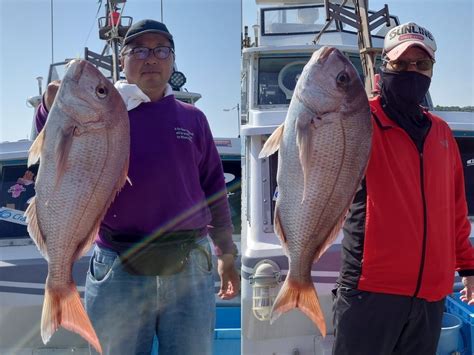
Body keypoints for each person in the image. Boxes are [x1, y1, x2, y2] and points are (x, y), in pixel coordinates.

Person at [35, 19, 240, 355]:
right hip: (118, 263)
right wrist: (48, 105)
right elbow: (52, 140)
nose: (151, 58)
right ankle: (59, 290)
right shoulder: (104, 109)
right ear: (124, 60)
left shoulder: (193, 118)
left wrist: (226, 253)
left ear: (172, 60)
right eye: (139, 50)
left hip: (190, 262)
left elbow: (214, 188)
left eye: (161, 50)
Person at [332, 22, 474, 355]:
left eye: (421, 65)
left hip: (431, 297)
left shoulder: (441, 133)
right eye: (401, 63)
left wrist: (468, 267)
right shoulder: (357, 121)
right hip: (370, 292)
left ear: (431, 71)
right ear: (384, 67)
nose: (412, 71)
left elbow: (455, 209)